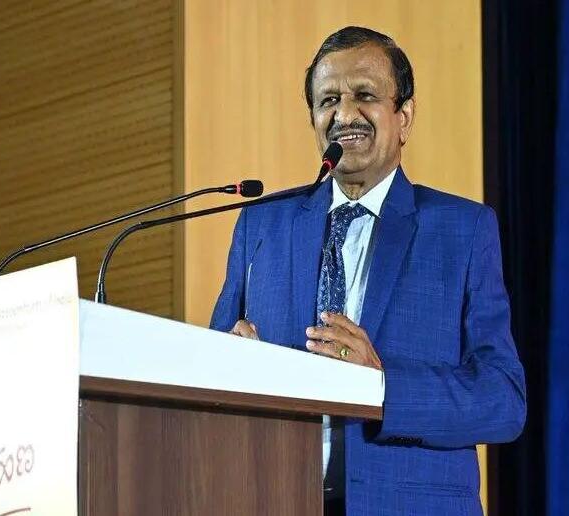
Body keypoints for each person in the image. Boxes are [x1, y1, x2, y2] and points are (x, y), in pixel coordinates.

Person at [210, 26, 526, 515]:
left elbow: (503, 401)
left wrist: (382, 386)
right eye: (328, 100)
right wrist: (229, 364)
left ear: (404, 117)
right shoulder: (261, 224)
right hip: (275, 496)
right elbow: (212, 371)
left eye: (365, 96)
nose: (344, 115)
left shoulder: (463, 230)